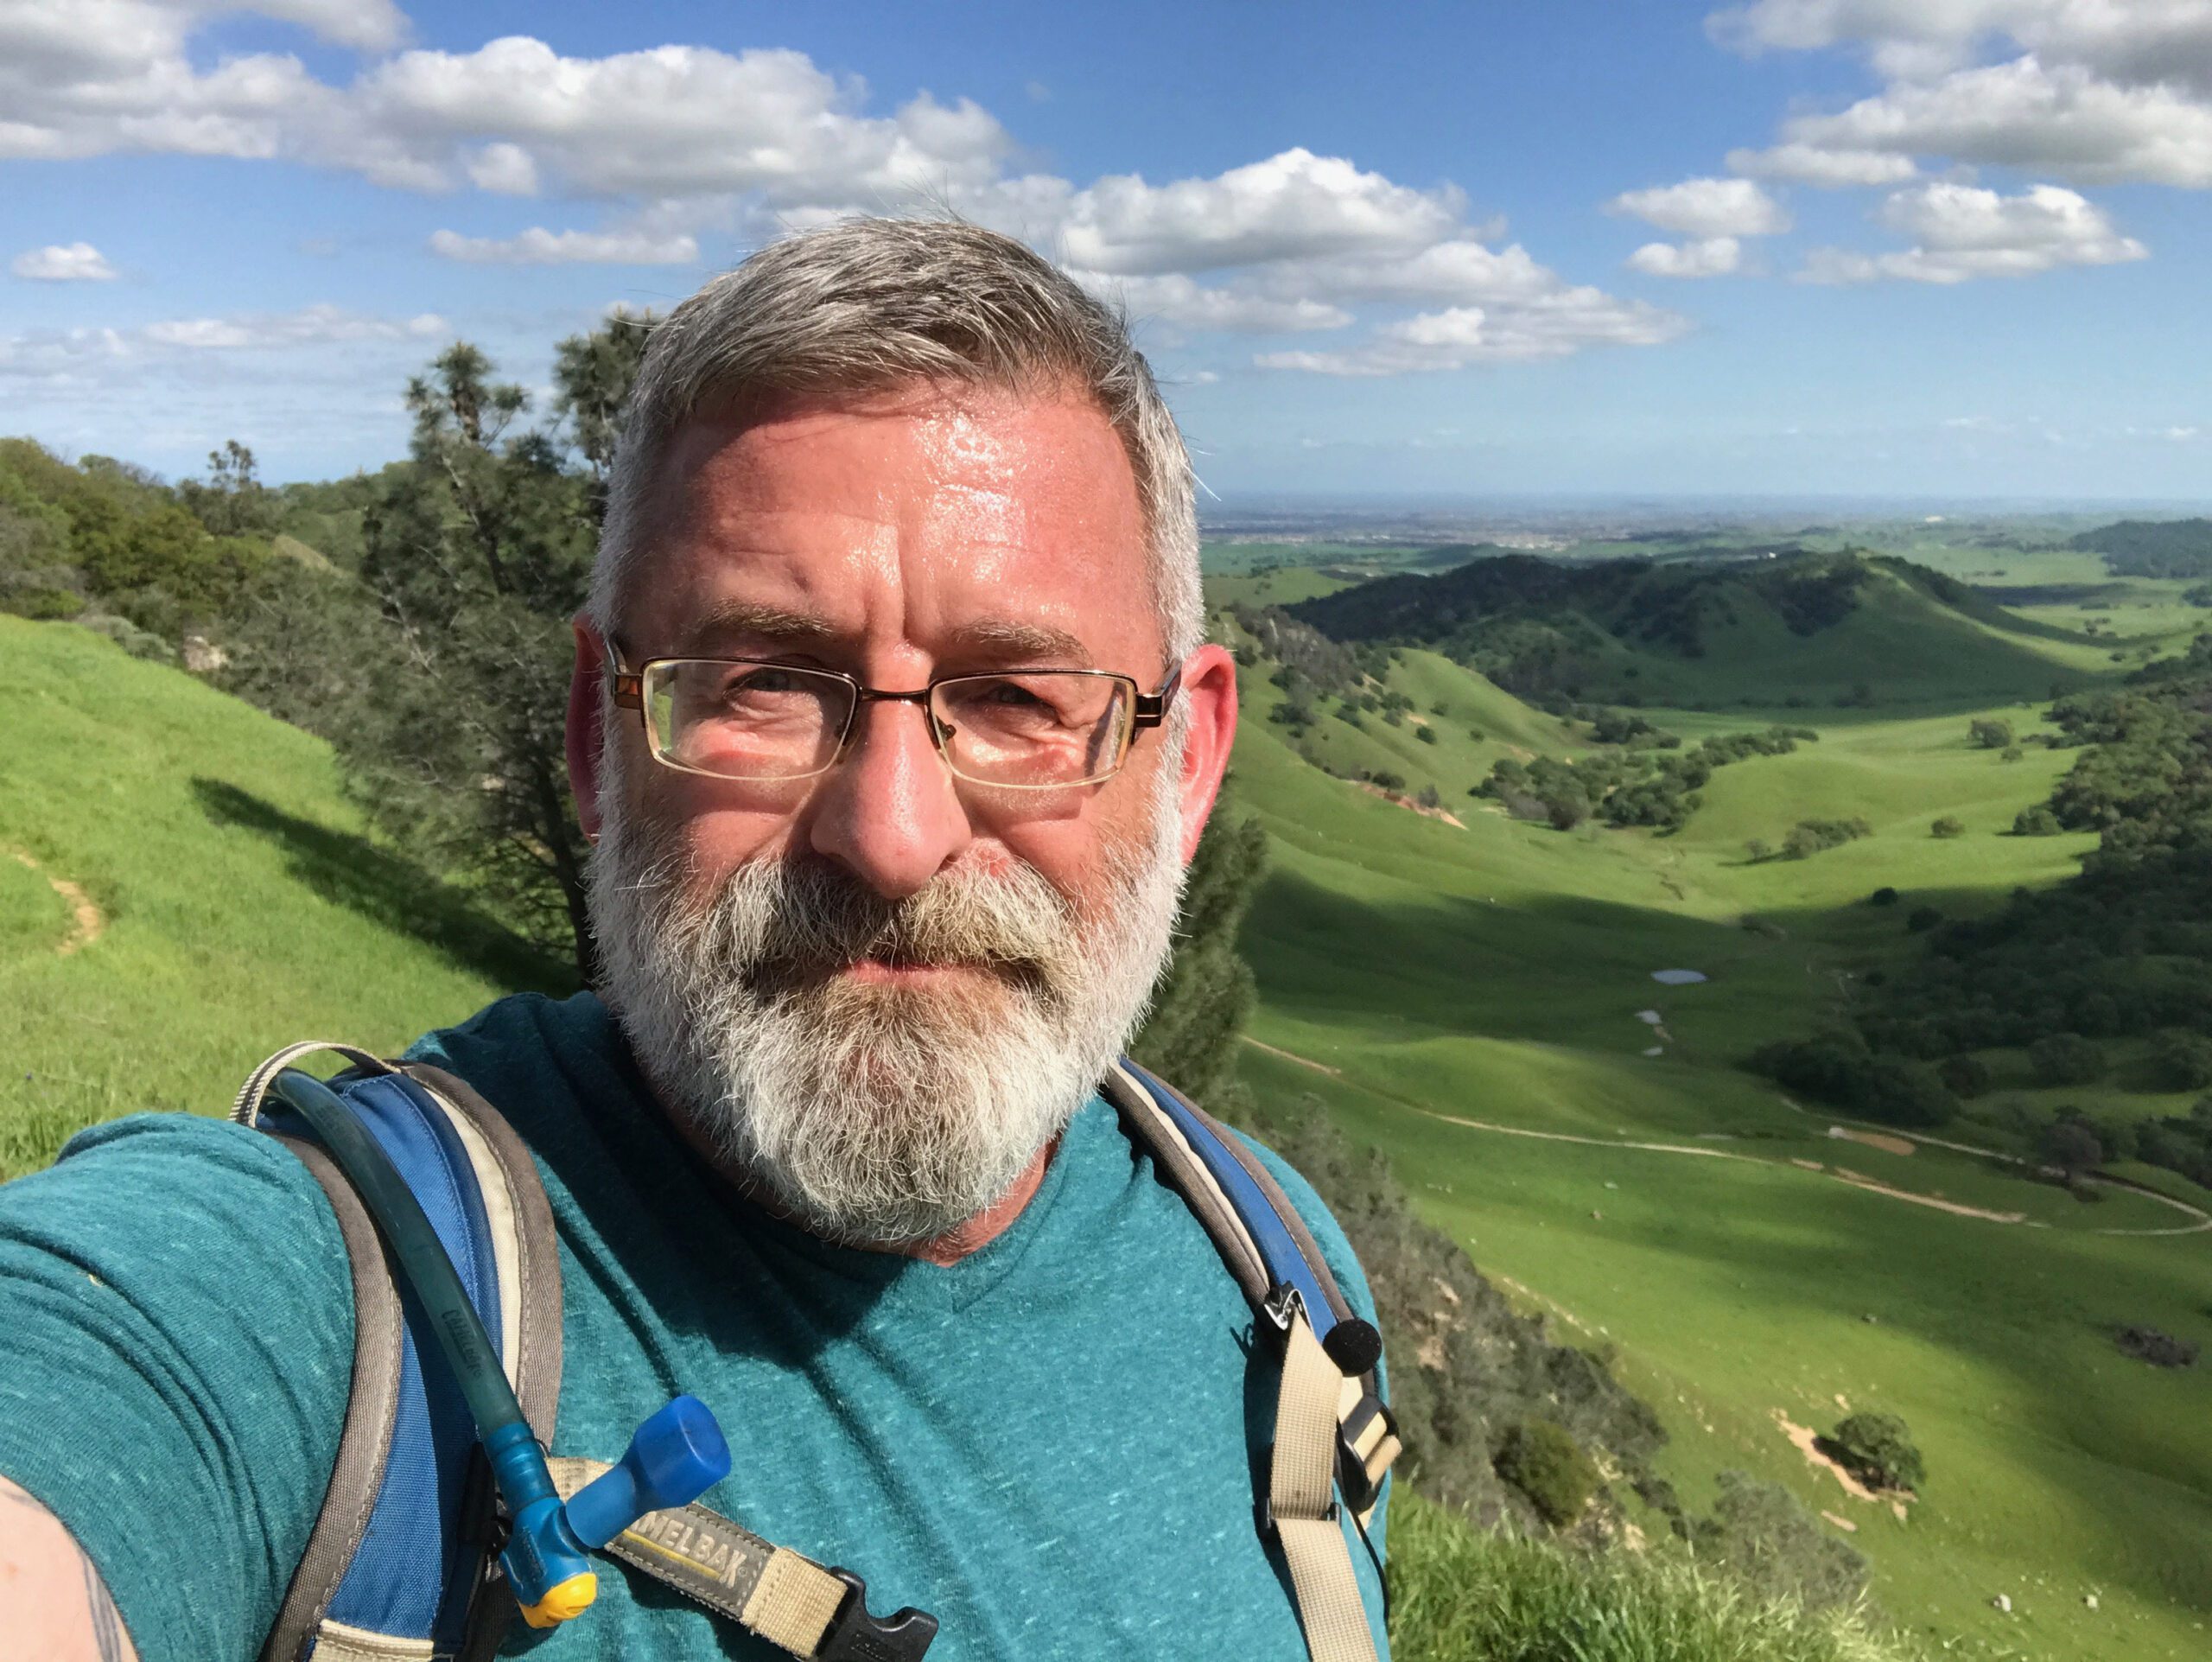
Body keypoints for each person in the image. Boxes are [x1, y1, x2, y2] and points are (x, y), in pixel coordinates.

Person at [0, 217, 1388, 1660]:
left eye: (1020, 698)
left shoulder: (1282, 1282)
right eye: (767, 685)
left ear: (1188, 763)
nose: (895, 835)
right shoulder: (324, 1294)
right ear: (598, 747)